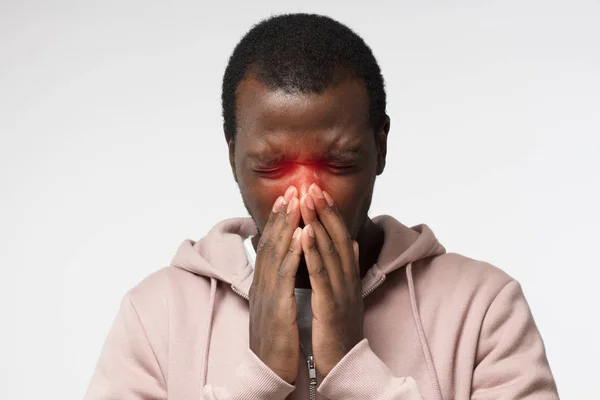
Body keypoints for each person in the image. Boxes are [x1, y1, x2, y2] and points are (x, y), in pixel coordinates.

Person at [84, 13, 558, 400]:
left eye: (340, 161)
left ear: (381, 147)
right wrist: (258, 378)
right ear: (233, 158)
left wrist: (355, 371)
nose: (307, 194)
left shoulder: (483, 307)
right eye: (271, 167)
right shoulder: (156, 313)